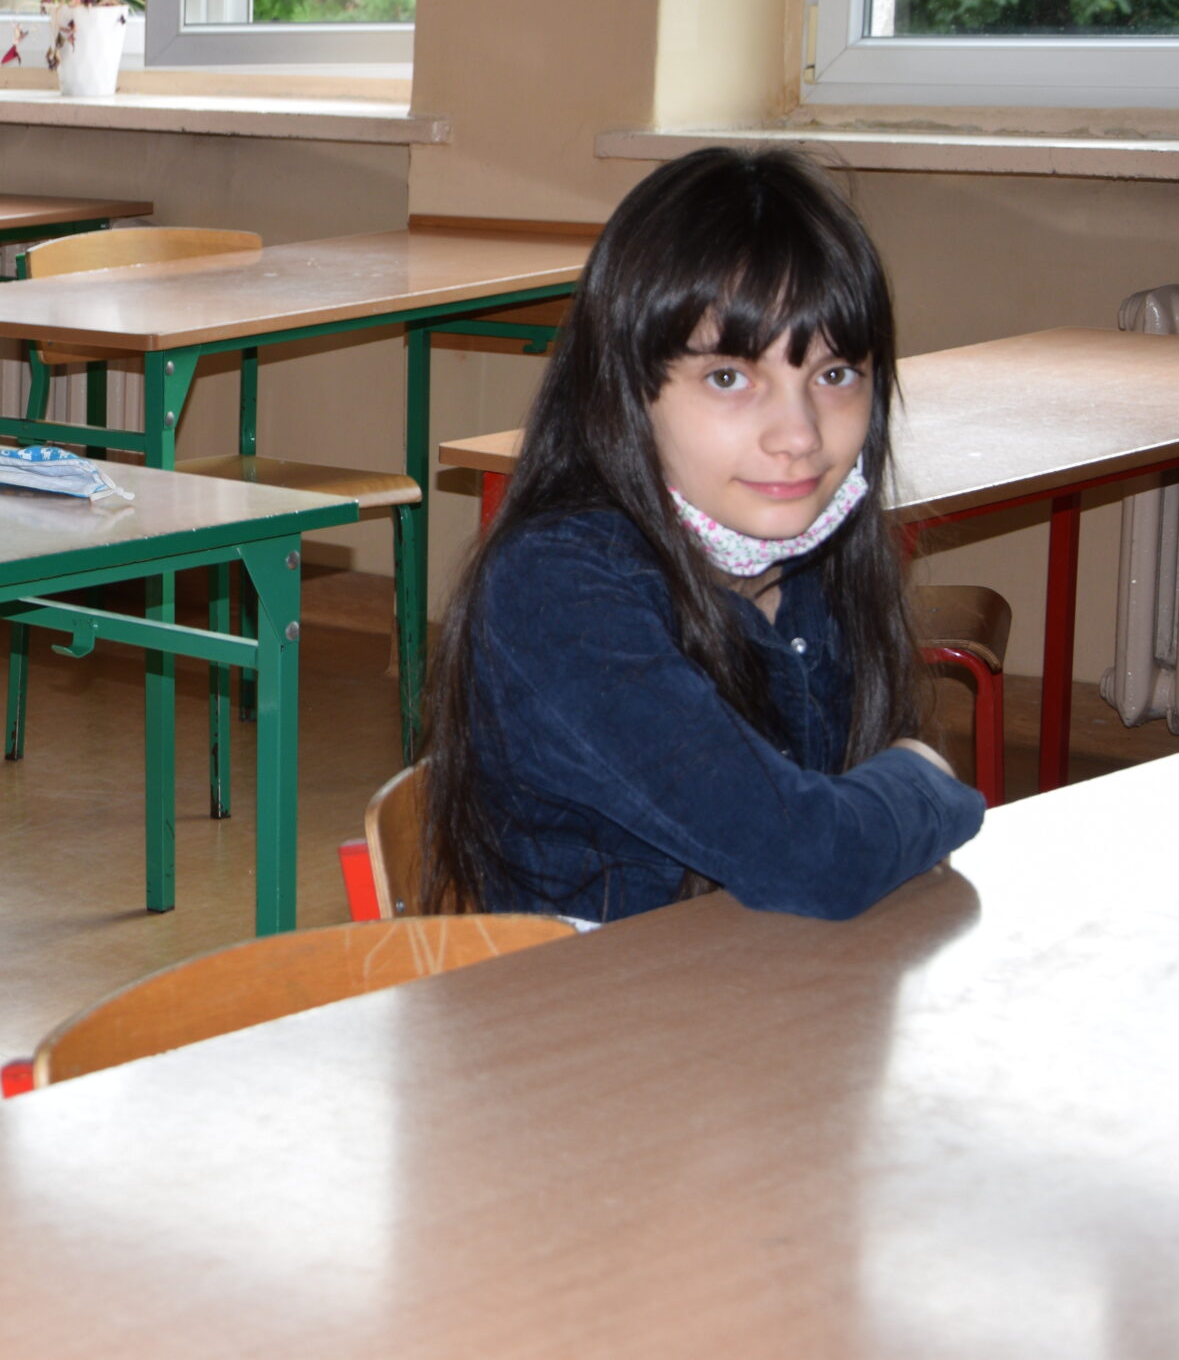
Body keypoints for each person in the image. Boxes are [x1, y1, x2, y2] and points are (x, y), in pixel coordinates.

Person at [415, 146, 985, 923]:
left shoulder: (805, 558)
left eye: (834, 374)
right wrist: (921, 775)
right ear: (627, 392)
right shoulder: (557, 589)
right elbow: (811, 856)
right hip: (594, 995)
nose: (799, 435)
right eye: (729, 377)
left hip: (762, 979)